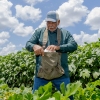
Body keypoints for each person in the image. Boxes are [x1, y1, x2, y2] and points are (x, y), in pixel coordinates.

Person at [25, 11, 77, 100]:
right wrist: (34, 46)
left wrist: (58, 47)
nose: (51, 25)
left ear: (58, 22)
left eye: (53, 22)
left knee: (68, 97)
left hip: (61, 74)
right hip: (41, 74)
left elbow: (74, 45)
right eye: (48, 22)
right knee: (36, 97)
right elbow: (28, 44)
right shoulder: (39, 32)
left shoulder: (65, 33)